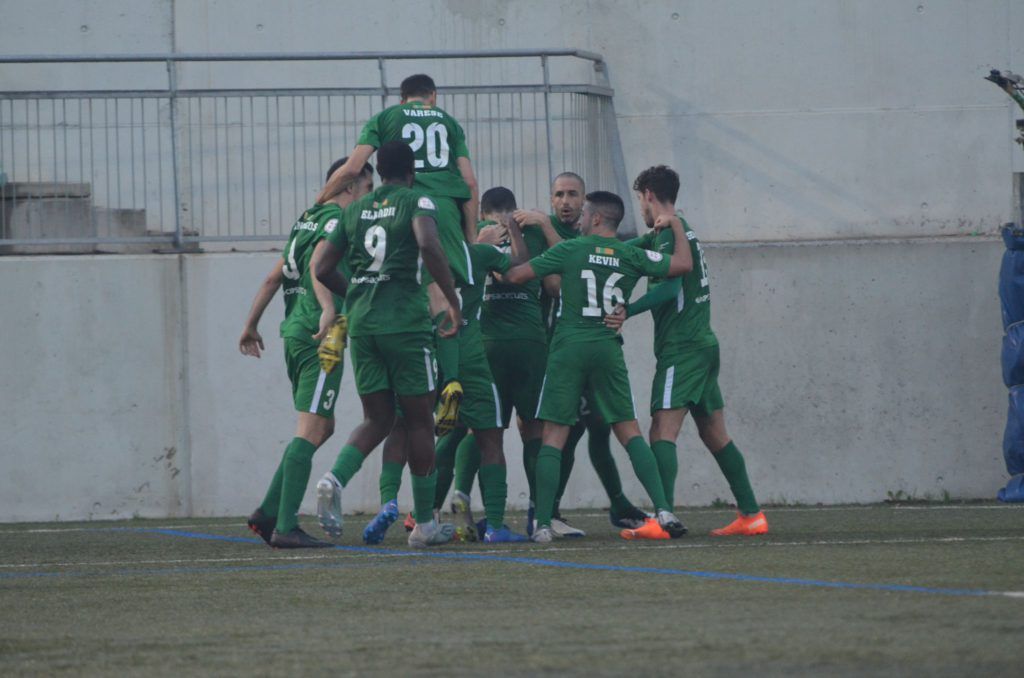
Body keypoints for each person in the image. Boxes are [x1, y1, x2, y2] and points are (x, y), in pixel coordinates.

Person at [504, 191, 692, 542]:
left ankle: (543, 524)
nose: (579, 219)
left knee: (554, 436)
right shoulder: (630, 254)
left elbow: (517, 276)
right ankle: (664, 509)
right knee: (629, 432)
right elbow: (682, 265)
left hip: (568, 349)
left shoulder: (570, 249)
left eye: (584, 213)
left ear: (595, 219)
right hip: (607, 347)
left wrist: (508, 239)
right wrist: (677, 226)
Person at [309, 141, 462, 549]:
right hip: (407, 326)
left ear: (380, 169)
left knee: (377, 419)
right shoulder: (417, 200)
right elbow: (428, 244)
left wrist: (356, 294)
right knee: (418, 421)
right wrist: (451, 297)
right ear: (411, 172)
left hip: (364, 327)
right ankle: (425, 524)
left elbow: (323, 267)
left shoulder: (356, 208)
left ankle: (332, 478)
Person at [605, 165, 768, 536]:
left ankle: (663, 518)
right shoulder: (678, 229)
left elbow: (668, 289)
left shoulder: (669, 237)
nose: (641, 209)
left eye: (640, 200)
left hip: (682, 349)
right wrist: (594, 250)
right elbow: (632, 249)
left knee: (662, 430)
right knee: (715, 434)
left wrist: (627, 310)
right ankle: (751, 514)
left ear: (647, 194)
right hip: (703, 345)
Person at [317, 74, 480, 428]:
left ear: (402, 97)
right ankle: (450, 380)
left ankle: (345, 324)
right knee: (442, 296)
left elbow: (353, 168)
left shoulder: (385, 118)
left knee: (372, 272)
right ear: (432, 96)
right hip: (444, 212)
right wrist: (470, 235)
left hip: (399, 207)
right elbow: (469, 181)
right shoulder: (449, 122)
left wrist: (319, 202)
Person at [371, 191, 532, 544]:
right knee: (490, 436)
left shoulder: (413, 258)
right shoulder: (480, 253)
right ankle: (496, 527)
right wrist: (511, 230)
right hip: (470, 355)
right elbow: (521, 267)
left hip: (426, 352)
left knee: (409, 429)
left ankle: (407, 511)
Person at [240, 157, 374, 549]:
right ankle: (284, 525)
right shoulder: (337, 222)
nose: (369, 199)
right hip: (321, 336)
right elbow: (319, 267)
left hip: (294, 334)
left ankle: (267, 511)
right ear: (349, 187)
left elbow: (273, 276)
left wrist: (251, 324)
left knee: (321, 425)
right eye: (367, 190)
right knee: (311, 428)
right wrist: (330, 309)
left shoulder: (307, 219)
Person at [513, 173, 649, 536]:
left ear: (587, 203)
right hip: (556, 347)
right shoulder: (542, 234)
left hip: (591, 346)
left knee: (600, 427)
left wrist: (627, 308)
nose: (566, 201)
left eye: (573, 194)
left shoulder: (589, 234)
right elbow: (554, 286)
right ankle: (543, 511)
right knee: (557, 432)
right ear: (551, 199)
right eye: (559, 195)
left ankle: (617, 503)